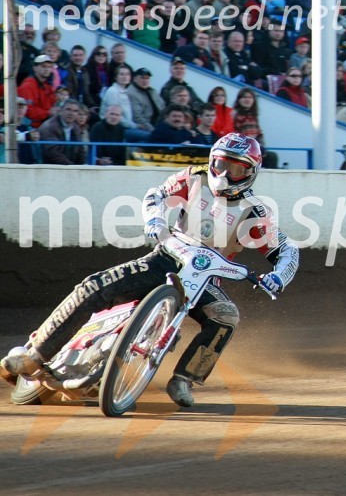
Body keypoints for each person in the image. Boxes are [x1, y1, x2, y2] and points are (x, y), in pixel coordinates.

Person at [0, 133, 300, 408]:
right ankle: (35, 354)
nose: (224, 175)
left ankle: (184, 379)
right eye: (221, 165)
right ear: (212, 161)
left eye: (236, 169)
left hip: (205, 278)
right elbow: (156, 194)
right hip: (166, 258)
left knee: (226, 316)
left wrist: (278, 277)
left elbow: (287, 249)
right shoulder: (194, 177)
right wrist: (155, 219)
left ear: (251, 173)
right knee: (93, 286)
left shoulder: (254, 211)